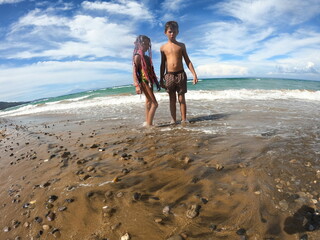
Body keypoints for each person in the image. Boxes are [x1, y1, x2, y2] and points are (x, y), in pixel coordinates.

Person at [160, 21, 198, 124]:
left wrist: (194, 74)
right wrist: (160, 79)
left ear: (178, 32)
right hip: (169, 75)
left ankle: (184, 119)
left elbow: (187, 60)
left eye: (174, 32)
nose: (172, 34)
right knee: (172, 99)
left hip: (180, 74)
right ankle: (173, 120)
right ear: (165, 33)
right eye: (170, 32)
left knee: (181, 98)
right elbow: (162, 64)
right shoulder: (163, 48)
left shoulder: (181, 45)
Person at [133, 35, 160, 127]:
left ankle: (147, 122)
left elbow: (152, 72)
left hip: (150, 81)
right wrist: (137, 85)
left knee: (148, 102)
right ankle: (149, 125)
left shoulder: (148, 58)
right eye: (145, 43)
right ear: (139, 44)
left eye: (149, 44)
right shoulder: (137, 57)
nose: (147, 46)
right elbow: (134, 72)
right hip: (144, 82)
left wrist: (157, 83)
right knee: (155, 104)